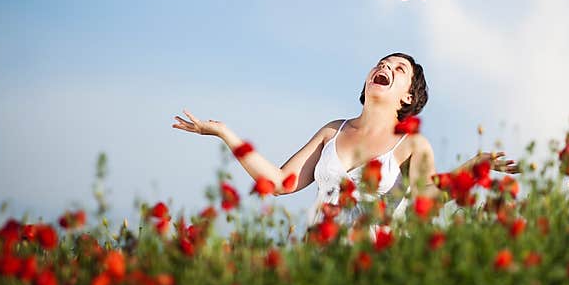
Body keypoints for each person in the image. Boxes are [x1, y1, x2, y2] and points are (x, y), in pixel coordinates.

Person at [172, 52, 519, 229]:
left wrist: (474, 167)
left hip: (378, 266)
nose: (384, 67)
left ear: (408, 98)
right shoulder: (332, 131)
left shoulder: (412, 144)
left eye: (399, 70)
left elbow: (427, 199)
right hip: (320, 257)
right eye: (382, 64)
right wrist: (224, 132)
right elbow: (279, 183)